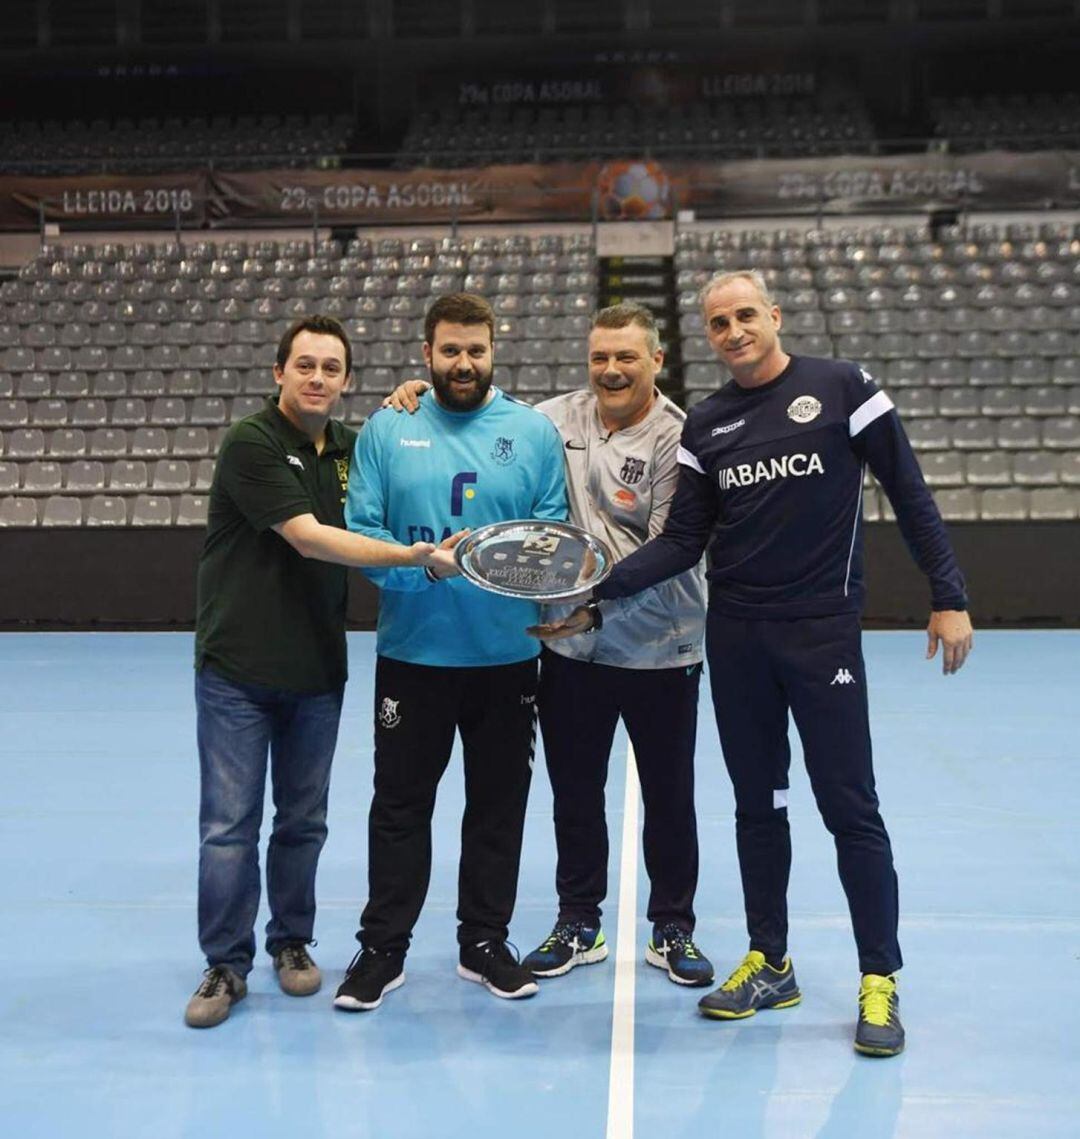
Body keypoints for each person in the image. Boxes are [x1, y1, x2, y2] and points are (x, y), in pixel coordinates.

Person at [566, 269, 973, 1057]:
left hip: (821, 635)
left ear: (774, 316)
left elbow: (909, 490)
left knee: (850, 807)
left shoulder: (842, 386)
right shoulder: (708, 424)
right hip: (739, 638)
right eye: (718, 323)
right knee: (758, 805)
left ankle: (879, 978)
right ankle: (770, 959)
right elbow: (683, 541)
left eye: (745, 316)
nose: (733, 332)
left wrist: (948, 594)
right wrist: (599, 592)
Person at [387, 303, 715, 988]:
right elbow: (476, 417)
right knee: (575, 792)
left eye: (627, 356)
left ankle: (673, 925)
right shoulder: (550, 420)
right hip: (570, 653)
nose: (611, 369)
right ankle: (579, 921)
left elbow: (670, 548)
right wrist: (413, 397)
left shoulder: (679, 437)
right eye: (600, 356)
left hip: (661, 647)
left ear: (657, 360)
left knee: (669, 794)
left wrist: (592, 604)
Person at [184, 314, 457, 1029]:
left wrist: (412, 397)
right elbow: (307, 539)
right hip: (237, 670)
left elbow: (399, 450)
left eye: (331, 368)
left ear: (346, 379)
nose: (317, 378)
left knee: (303, 821)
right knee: (229, 826)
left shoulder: (349, 446)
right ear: (279, 372)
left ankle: (292, 941)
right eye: (304, 365)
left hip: (315, 670)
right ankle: (225, 962)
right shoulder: (251, 443)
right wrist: (412, 555)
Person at [333, 293, 567, 1012]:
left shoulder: (530, 432)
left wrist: (510, 567)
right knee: (400, 805)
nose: (463, 363)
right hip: (414, 654)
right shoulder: (387, 425)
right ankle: (382, 948)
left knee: (498, 803)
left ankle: (484, 940)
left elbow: (552, 532)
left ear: (495, 349)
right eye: (450, 351)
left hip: (504, 656)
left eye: (476, 350)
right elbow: (362, 532)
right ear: (426, 354)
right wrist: (422, 566)